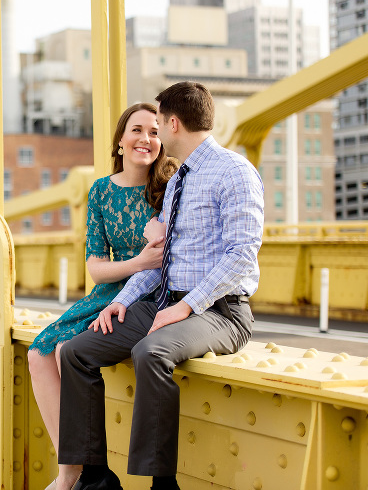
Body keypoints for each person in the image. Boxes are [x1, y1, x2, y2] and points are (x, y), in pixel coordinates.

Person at [55, 82, 265, 490]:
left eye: (158, 125)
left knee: (150, 352)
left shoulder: (235, 171)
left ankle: (162, 484)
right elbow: (162, 260)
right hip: (168, 302)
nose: (155, 134)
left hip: (221, 311)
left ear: (173, 123)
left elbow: (241, 256)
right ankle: (96, 476)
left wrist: (187, 308)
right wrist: (124, 301)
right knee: (78, 352)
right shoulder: (178, 181)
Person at [28, 103, 177, 490]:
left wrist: (144, 264)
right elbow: (95, 265)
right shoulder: (100, 191)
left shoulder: (170, 185)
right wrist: (137, 260)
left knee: (67, 352)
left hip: (149, 295)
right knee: (38, 353)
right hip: (107, 291)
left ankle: (71, 477)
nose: (147, 138)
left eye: (155, 132)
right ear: (121, 141)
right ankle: (71, 470)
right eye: (137, 130)